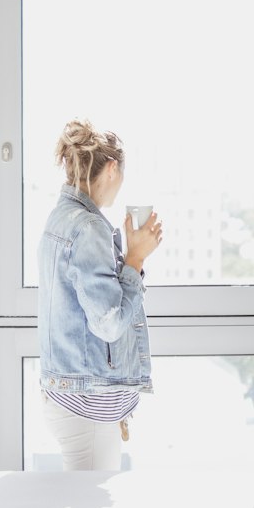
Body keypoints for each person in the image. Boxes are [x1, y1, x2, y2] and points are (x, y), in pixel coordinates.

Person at [37, 119, 163, 470]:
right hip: (85, 403)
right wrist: (135, 259)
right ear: (111, 169)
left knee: (83, 503)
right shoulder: (88, 227)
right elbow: (108, 324)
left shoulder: (61, 218)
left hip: (67, 392)